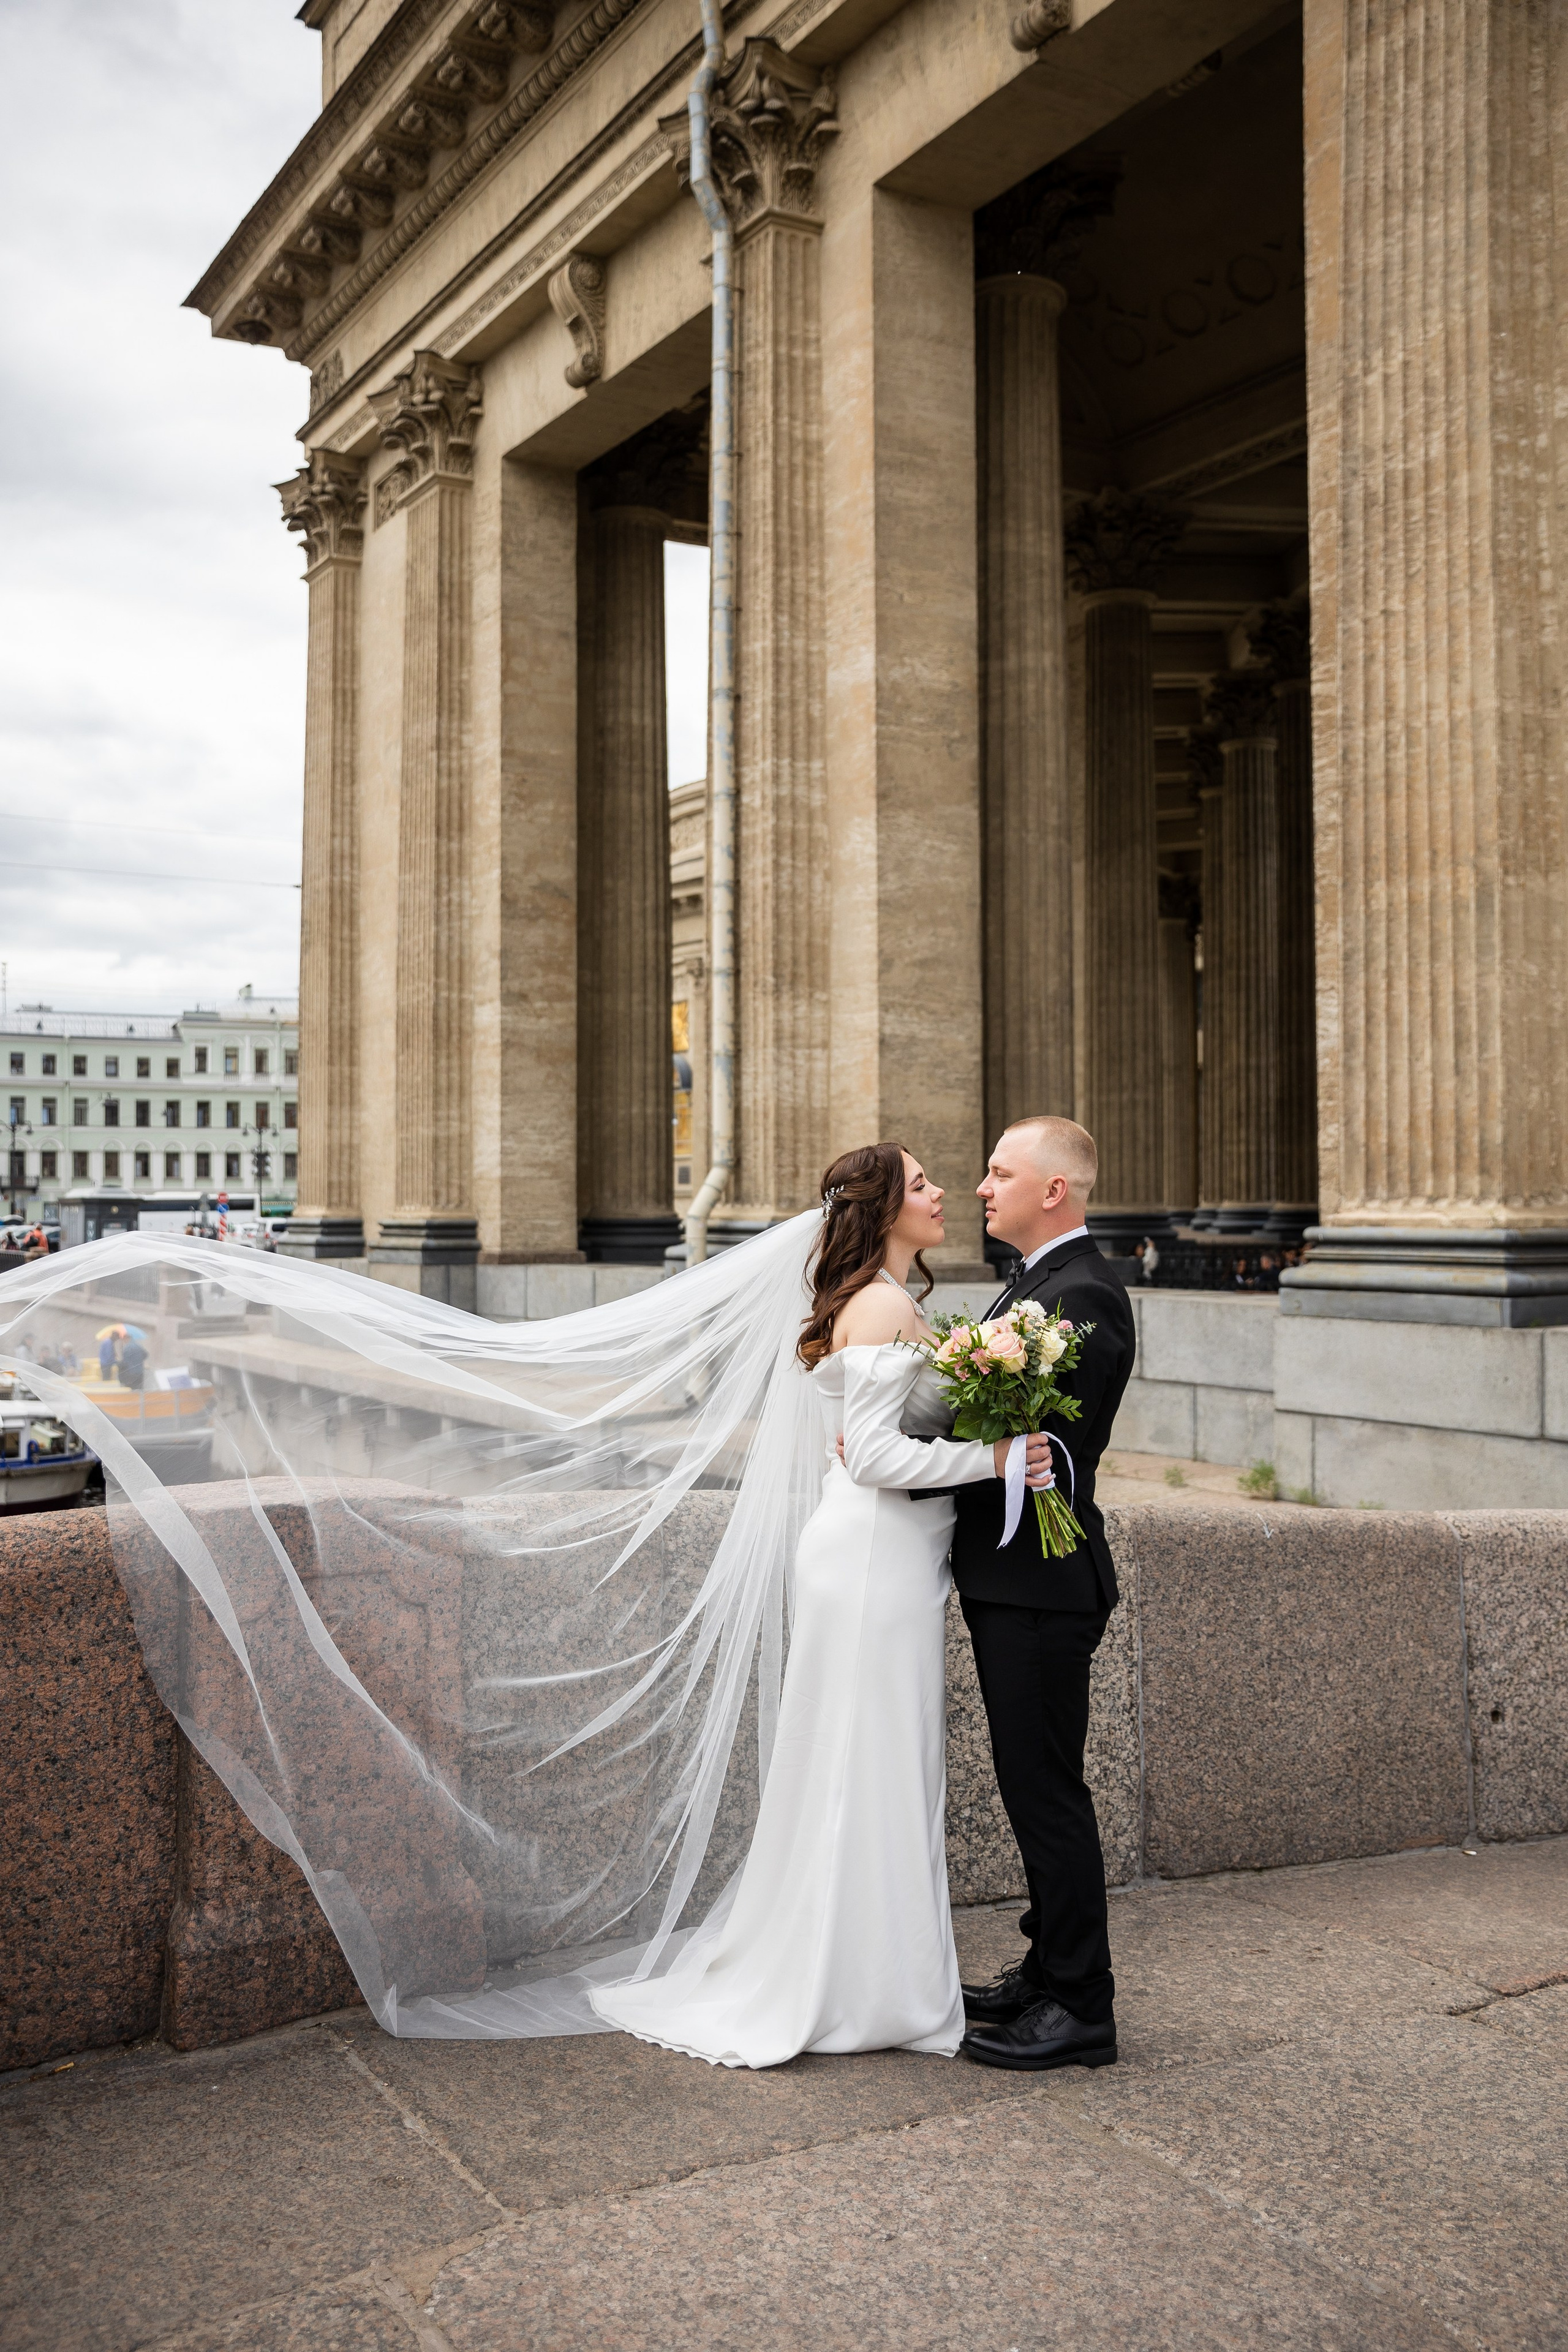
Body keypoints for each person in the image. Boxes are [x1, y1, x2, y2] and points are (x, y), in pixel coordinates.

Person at [591, 1141, 1055, 2067]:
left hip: (882, 1554)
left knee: (873, 1759)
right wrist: (998, 1457)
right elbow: (876, 1456)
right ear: (884, 1210)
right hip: (875, 1558)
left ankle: (868, 1976)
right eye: (920, 1184)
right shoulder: (881, 1306)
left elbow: (866, 1441)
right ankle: (861, 1989)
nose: (941, 1193)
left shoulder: (885, 1300)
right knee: (868, 1763)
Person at [950, 1116, 1136, 2075]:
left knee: (1048, 1795)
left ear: (1053, 1190)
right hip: (1016, 1580)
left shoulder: (1084, 1293)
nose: (983, 1188)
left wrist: (929, 1445)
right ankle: (1045, 1969)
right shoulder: (1035, 1284)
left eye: (1000, 1172)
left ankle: (1081, 2006)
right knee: (1031, 1790)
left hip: (1044, 1585)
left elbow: (1054, 1442)